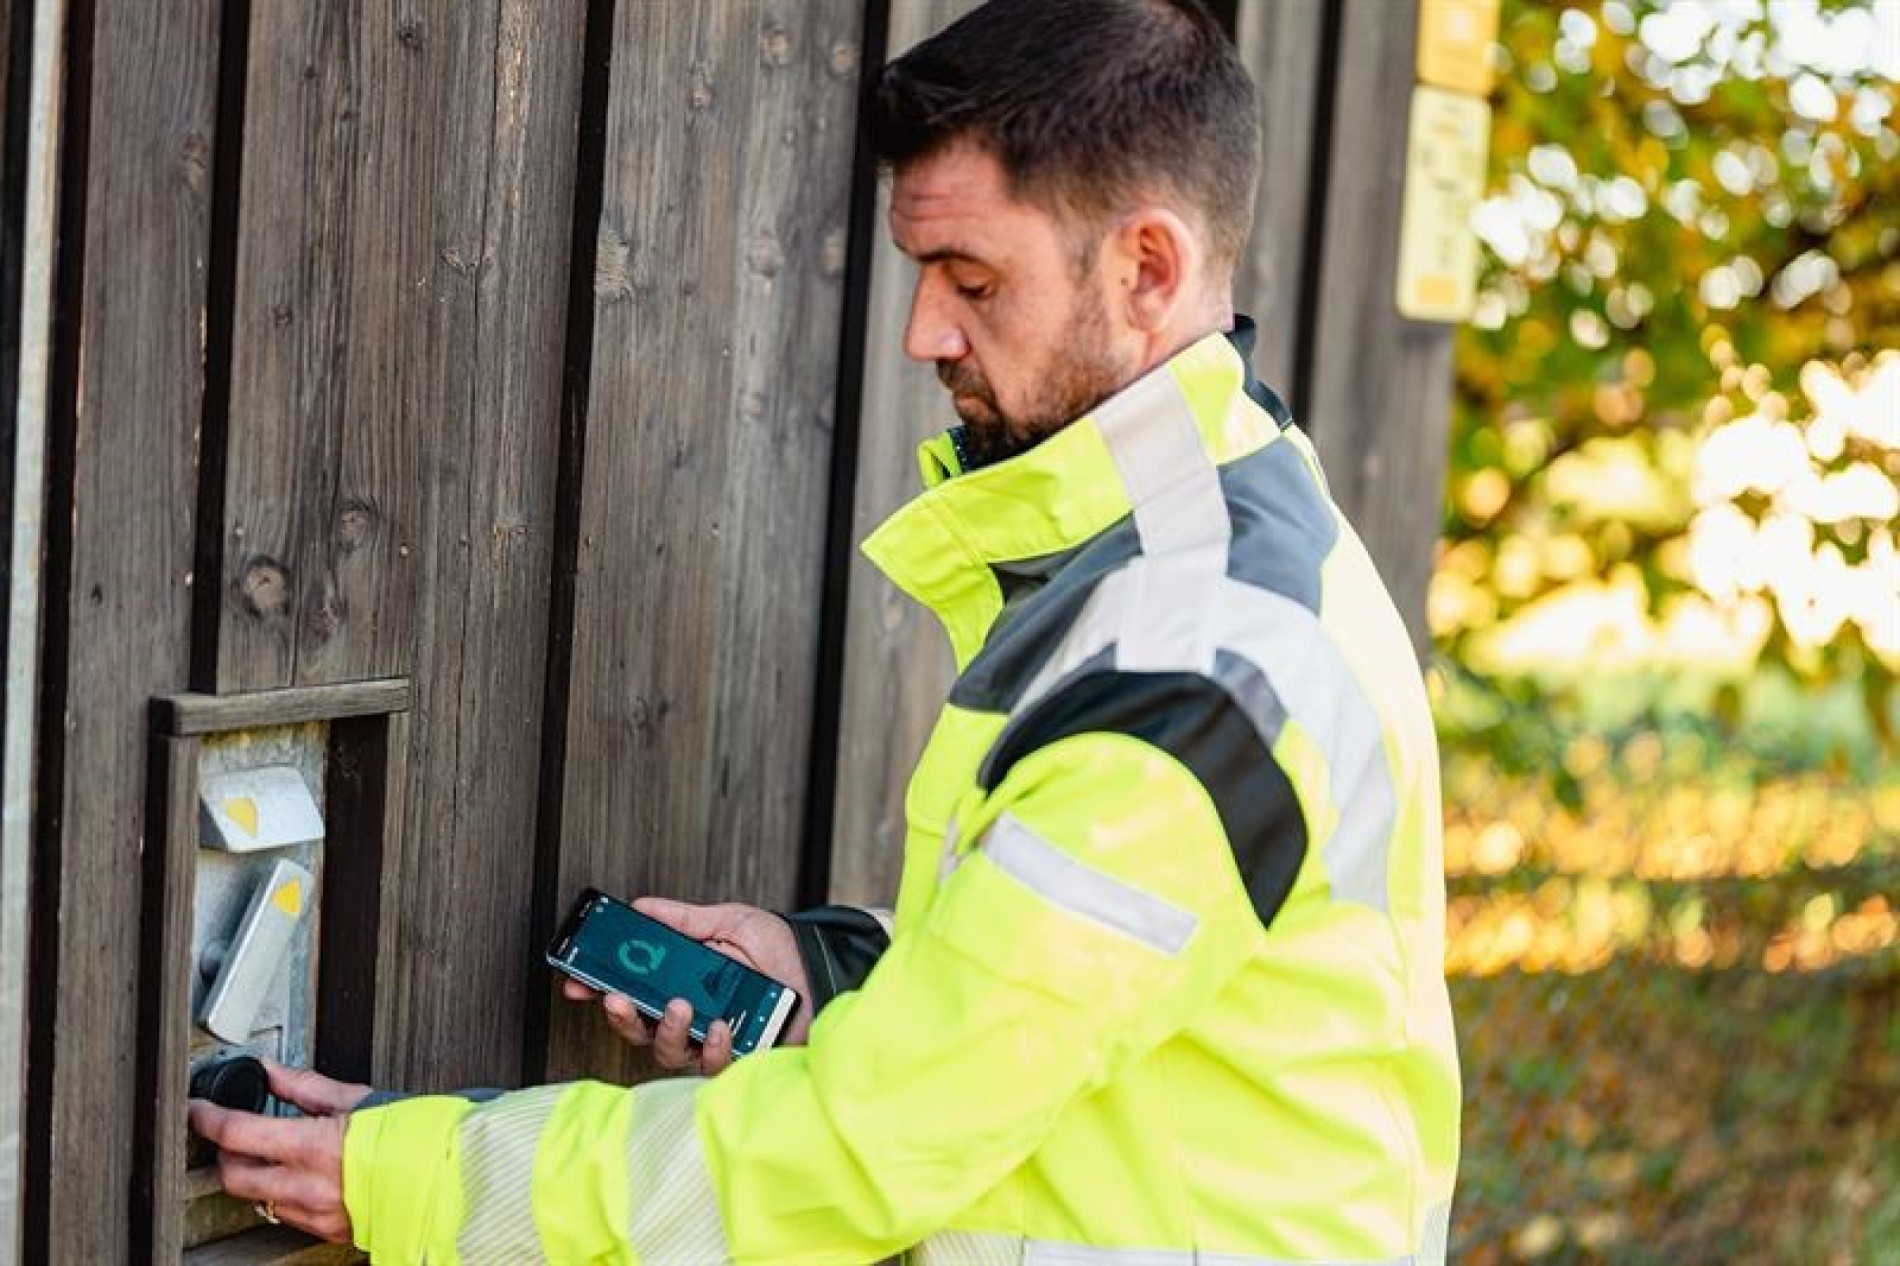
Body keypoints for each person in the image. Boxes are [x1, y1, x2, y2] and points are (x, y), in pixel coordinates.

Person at [189, 0, 1462, 1259]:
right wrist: (828, 974)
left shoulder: (1185, 668)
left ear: (1146, 270)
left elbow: (864, 1150)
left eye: (972, 281)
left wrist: (426, 1177)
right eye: (922, 277)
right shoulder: (1233, 539)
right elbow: (1103, 1001)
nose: (925, 333)